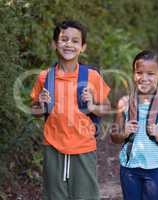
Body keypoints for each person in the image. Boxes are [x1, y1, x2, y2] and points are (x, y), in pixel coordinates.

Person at [31, 20, 111, 200]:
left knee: (85, 196)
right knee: (55, 196)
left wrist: (91, 106)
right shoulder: (45, 77)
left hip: (83, 147)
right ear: (54, 44)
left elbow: (106, 109)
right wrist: (41, 105)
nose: (69, 44)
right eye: (63, 39)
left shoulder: (91, 76)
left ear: (83, 47)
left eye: (75, 41)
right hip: (53, 147)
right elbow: (34, 112)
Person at [111, 50, 158, 200]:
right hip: (129, 167)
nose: (144, 78)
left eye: (150, 74)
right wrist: (123, 133)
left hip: (157, 167)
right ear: (133, 73)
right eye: (139, 72)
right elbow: (114, 137)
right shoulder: (124, 102)